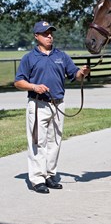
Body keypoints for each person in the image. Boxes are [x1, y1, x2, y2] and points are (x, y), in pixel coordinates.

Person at [14, 21, 90, 194]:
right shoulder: (29, 58)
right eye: (45, 33)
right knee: (37, 142)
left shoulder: (61, 56)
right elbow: (18, 81)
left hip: (58, 104)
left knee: (54, 142)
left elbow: (75, 74)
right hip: (38, 104)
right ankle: (37, 179)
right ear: (36, 36)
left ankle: (49, 175)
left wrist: (82, 73)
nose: (49, 36)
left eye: (51, 33)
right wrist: (34, 87)